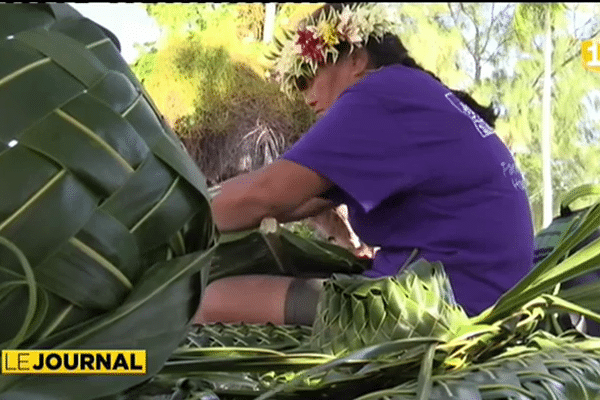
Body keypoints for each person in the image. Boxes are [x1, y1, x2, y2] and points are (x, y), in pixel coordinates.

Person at [194, 3, 534, 326]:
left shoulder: (377, 95)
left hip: (443, 306)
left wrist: (172, 214)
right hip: (476, 293)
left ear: (355, 59)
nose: (306, 97)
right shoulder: (411, 93)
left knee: (214, 299)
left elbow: (264, 196)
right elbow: (296, 201)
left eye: (308, 75)